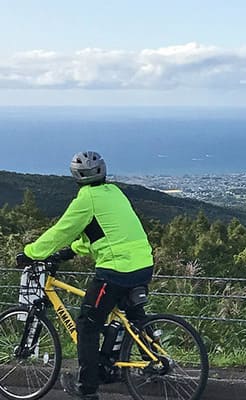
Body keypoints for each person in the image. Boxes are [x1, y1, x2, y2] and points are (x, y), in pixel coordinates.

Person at [16, 151, 154, 400]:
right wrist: (70, 252)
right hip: (143, 264)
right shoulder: (115, 192)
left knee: (88, 325)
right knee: (132, 316)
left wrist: (31, 253)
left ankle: (87, 388)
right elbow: (100, 232)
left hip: (116, 270)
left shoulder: (86, 199)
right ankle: (151, 362)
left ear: (76, 177)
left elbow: (62, 231)